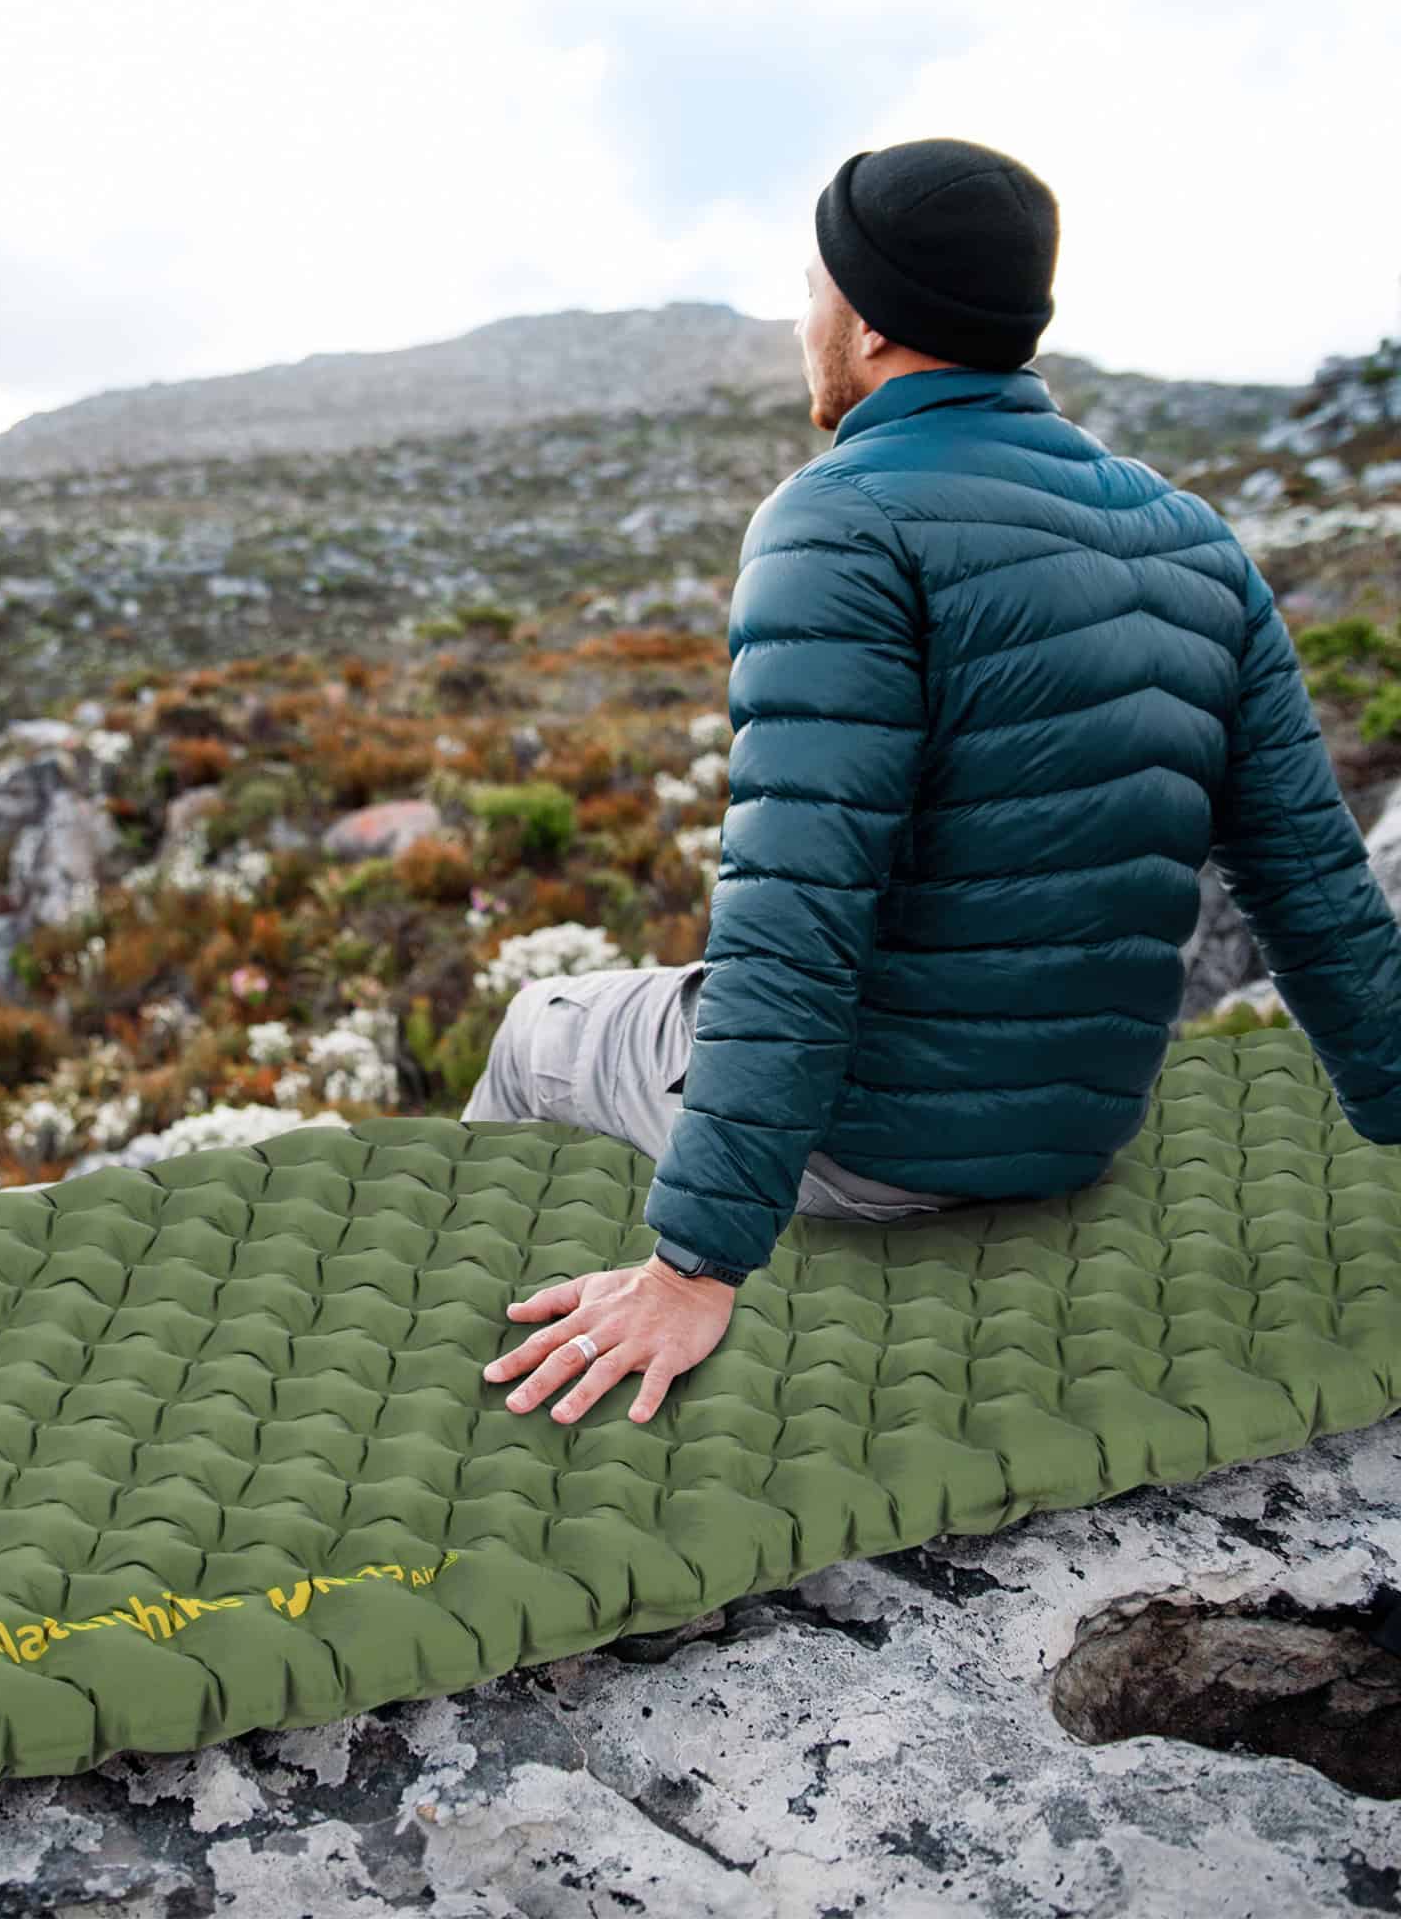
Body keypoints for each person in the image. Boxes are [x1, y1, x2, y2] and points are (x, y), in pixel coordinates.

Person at [469, 135, 1401, 1431]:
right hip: (1072, 1143)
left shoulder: (838, 520)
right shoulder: (1195, 541)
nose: (804, 323)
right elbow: (1315, 889)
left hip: (873, 1154)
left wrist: (699, 1265)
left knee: (538, 1024)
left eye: (812, 292)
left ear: (866, 325)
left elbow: (797, 918)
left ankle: (466, 1373)